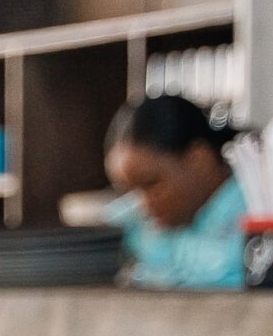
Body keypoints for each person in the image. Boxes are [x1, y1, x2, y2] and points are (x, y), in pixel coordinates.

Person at [104, 94, 247, 289]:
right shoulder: (142, 219)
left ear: (199, 160)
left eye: (151, 183)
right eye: (130, 191)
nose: (143, 204)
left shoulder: (254, 206)